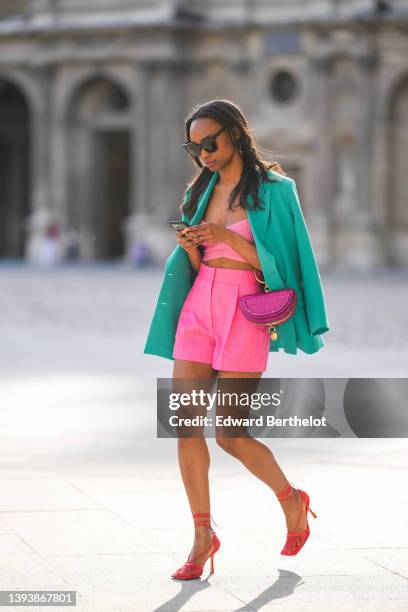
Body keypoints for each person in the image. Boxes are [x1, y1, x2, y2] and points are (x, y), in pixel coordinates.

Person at [144, 99, 329, 580]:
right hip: (198, 306)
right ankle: (203, 537)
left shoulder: (277, 191)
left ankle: (291, 499)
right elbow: (197, 263)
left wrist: (226, 240)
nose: (203, 153)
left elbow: (285, 266)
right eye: (195, 146)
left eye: (211, 142)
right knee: (185, 426)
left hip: (246, 310)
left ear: (235, 133)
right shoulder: (200, 192)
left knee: (229, 432)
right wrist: (191, 248)